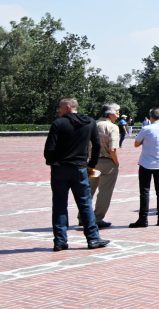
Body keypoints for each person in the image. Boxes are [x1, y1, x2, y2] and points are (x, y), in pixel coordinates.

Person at [44, 98, 109, 251]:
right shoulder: (90, 122)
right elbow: (97, 145)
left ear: (67, 107)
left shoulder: (58, 123)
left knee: (59, 205)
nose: (58, 110)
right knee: (85, 204)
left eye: (60, 107)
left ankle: (60, 241)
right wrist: (91, 165)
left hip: (60, 168)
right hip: (80, 168)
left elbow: (49, 149)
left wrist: (52, 162)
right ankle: (93, 239)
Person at [130, 108, 159, 228]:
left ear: (150, 117)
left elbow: (136, 143)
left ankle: (143, 219)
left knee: (144, 191)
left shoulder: (147, 128)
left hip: (146, 163)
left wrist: (145, 142)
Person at [90, 103, 121, 228]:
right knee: (105, 192)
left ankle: (83, 216)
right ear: (110, 113)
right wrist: (116, 163)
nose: (118, 115)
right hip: (108, 163)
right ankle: (97, 218)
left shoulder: (92, 124)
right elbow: (112, 149)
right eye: (117, 112)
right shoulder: (112, 127)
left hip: (92, 162)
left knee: (89, 190)